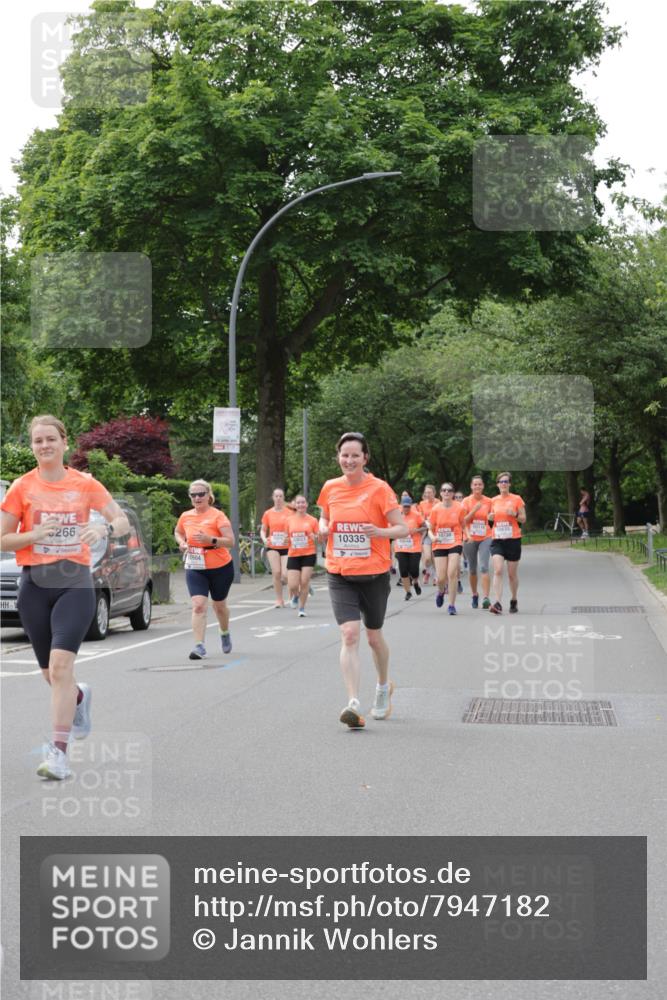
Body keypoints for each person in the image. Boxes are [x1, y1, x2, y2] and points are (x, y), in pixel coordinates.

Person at [0, 415, 130, 780]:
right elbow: (3, 538)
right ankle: (78, 697)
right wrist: (34, 533)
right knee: (50, 675)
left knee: (60, 668)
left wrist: (103, 525)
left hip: (75, 582)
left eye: (50, 439)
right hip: (34, 586)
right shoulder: (22, 488)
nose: (44, 446)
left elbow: (121, 521)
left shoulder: (85, 483)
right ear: (32, 446)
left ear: (64, 442)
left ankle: (58, 754)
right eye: (37, 441)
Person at [317, 432, 409, 729]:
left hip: (373, 573)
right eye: (345, 455)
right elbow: (324, 518)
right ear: (338, 457)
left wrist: (378, 533)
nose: (349, 460)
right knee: (349, 635)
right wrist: (323, 529)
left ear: (365, 458)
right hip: (340, 572)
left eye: (355, 455)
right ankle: (354, 703)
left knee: (373, 636)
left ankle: (383, 686)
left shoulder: (380, 489)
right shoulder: (330, 487)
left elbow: (402, 528)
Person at [174, 479, 235, 658]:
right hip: (195, 566)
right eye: (193, 495)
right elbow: (177, 532)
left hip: (220, 567)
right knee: (199, 605)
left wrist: (211, 540)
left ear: (209, 496)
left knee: (219, 606)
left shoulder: (218, 516)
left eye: (201, 494)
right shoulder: (185, 516)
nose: (197, 497)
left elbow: (230, 541)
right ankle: (199, 646)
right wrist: (182, 542)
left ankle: (224, 632)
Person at [488, 472, 526, 615]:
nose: (503, 484)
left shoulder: (517, 499)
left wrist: (515, 515)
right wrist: (489, 518)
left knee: (512, 575)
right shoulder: (493, 500)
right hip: (497, 539)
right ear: (497, 484)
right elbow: (490, 520)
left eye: (506, 481)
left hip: (513, 539)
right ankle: (497, 603)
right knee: (497, 570)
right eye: (501, 481)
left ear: (509, 484)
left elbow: (523, 519)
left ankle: (514, 599)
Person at [430, 483, 465, 615]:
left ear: (453, 493)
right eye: (444, 490)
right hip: (439, 543)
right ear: (440, 493)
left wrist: (466, 535)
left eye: (449, 490)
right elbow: (430, 529)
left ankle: (451, 605)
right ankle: (440, 591)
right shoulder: (435, 509)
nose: (446, 492)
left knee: (452, 573)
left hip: (455, 542)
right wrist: (433, 537)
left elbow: (463, 523)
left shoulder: (459, 507)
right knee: (441, 578)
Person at [461, 475, 493, 609]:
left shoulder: (489, 501)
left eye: (480, 484)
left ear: (483, 486)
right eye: (475, 484)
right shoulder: (466, 501)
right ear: (471, 486)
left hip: (486, 536)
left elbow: (492, 519)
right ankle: (475, 594)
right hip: (469, 537)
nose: (477, 487)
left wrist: (491, 517)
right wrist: (474, 510)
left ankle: (486, 597)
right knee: (473, 570)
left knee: (484, 567)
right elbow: (463, 521)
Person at [286, 495, 319, 616]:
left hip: (308, 554)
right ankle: (295, 596)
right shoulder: (289, 520)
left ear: (306, 505)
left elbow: (319, 538)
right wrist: (285, 540)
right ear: (295, 505)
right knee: (293, 585)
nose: (300, 505)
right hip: (294, 554)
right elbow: (286, 537)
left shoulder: (313, 520)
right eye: (298, 503)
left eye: (303, 503)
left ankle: (302, 609)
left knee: (304, 582)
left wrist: (315, 537)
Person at [260, 488, 290, 607]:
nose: (278, 498)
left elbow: (295, 526)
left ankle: (293, 593)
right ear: (273, 498)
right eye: (276, 496)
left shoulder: (289, 512)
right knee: (276, 573)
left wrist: (290, 537)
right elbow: (263, 530)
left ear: (283, 498)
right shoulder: (268, 513)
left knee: (285, 574)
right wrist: (264, 539)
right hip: (272, 545)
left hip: (286, 546)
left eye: (280, 496)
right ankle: (279, 600)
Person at [395, 495, 425, 600]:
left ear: (411, 506)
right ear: (401, 506)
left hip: (414, 546)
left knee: (414, 570)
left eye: (408, 506)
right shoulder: (397, 514)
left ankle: (415, 582)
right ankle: (408, 592)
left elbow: (425, 527)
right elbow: (391, 526)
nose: (406, 508)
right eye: (404, 506)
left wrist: (416, 530)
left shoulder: (416, 515)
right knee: (403, 570)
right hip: (401, 546)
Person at [417, 484, 438, 585]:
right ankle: (428, 571)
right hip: (426, 532)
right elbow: (420, 518)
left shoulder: (438, 503)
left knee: (434, 557)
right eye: (426, 493)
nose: (428, 494)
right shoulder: (421, 504)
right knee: (427, 558)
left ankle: (435, 576)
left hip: (435, 533)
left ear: (434, 493)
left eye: (430, 492)